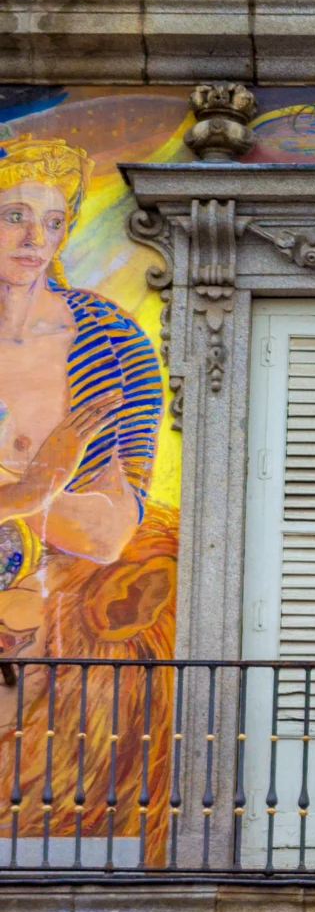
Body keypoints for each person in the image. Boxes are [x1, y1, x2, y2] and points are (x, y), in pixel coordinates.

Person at [0, 137, 158, 663]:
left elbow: (109, 534)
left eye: (51, 221)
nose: (33, 237)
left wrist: (24, 496)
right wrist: (33, 490)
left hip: (51, 628)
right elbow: (42, 503)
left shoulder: (112, 340)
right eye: (14, 215)